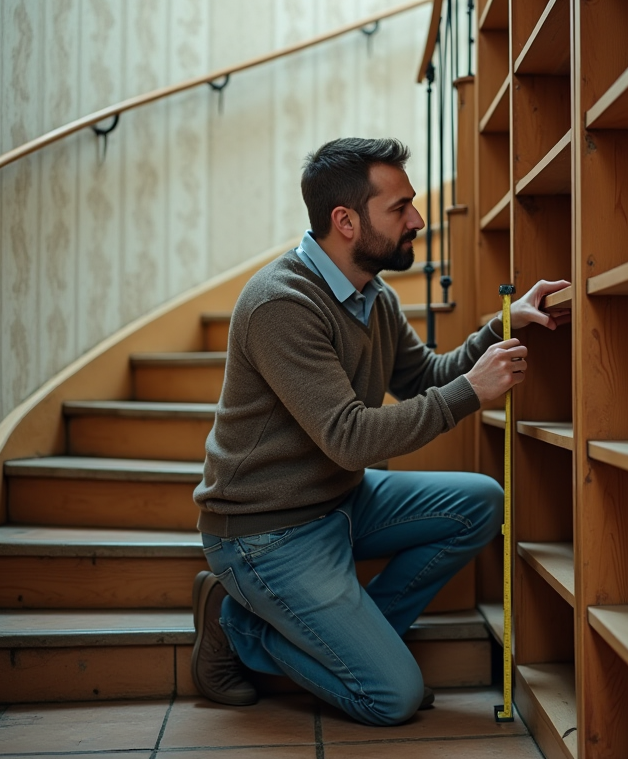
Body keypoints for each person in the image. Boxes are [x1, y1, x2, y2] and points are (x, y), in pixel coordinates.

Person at [190, 137, 570, 726]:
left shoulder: (374, 296)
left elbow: (423, 377)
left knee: (480, 503)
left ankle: (358, 644)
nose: (417, 219)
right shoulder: (280, 304)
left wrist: (503, 325)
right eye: (400, 208)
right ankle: (238, 627)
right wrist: (473, 391)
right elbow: (350, 437)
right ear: (345, 221)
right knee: (391, 698)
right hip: (266, 532)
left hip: (339, 501)